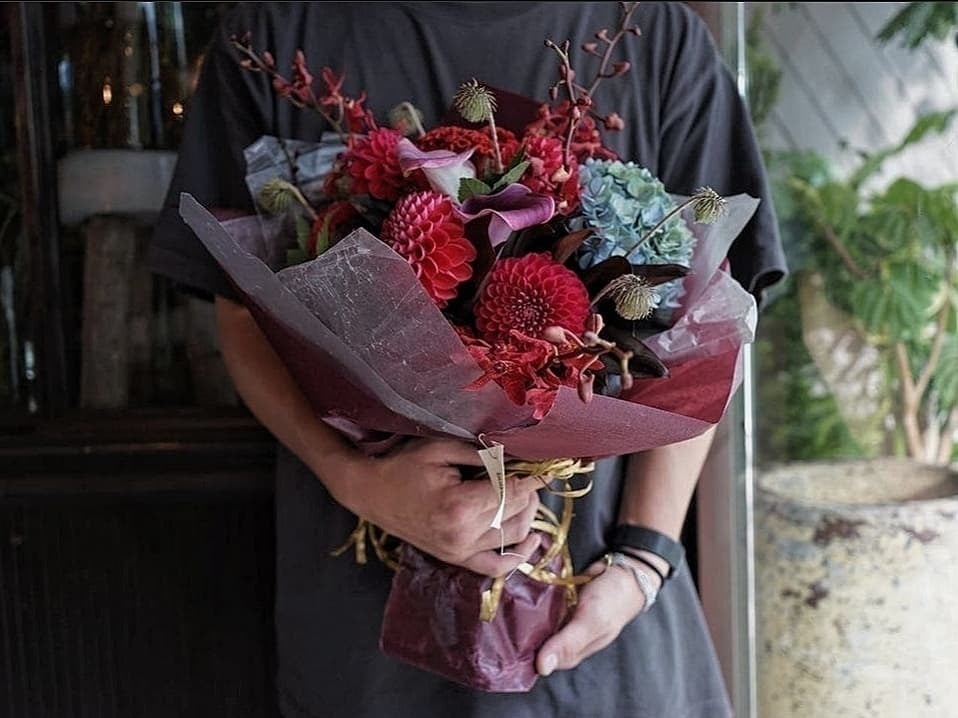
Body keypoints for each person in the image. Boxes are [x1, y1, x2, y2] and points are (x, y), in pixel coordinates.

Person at [148, 3, 785, 716]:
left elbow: (714, 322)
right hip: (365, 625)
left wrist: (643, 557)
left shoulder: (654, 36)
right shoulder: (271, 33)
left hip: (596, 607)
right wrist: (357, 481)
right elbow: (240, 313)